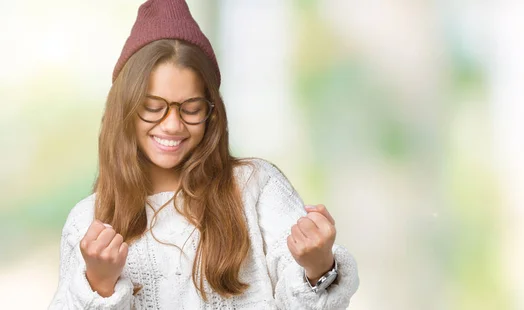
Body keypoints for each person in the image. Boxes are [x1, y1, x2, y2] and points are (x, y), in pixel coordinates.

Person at [48, 0, 359, 309]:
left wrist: (317, 267)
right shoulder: (88, 220)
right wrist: (99, 284)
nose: (172, 125)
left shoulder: (255, 186)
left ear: (212, 112)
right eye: (153, 108)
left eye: (191, 109)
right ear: (124, 109)